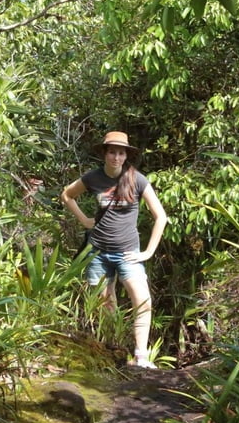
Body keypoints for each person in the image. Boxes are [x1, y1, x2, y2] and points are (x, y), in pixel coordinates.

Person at [61, 131, 168, 368]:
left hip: (128, 252)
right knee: (106, 306)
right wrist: (84, 220)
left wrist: (148, 252)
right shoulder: (93, 178)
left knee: (143, 301)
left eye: (121, 153)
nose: (116, 157)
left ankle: (141, 356)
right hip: (98, 251)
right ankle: (112, 356)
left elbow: (160, 216)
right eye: (112, 152)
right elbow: (67, 195)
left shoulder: (137, 179)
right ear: (105, 153)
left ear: (126, 155)